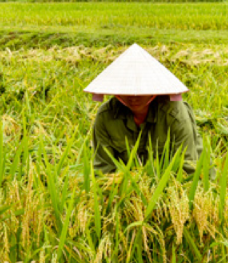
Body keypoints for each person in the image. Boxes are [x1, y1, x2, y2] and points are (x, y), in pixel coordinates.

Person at [85, 43, 205, 176]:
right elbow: (103, 169)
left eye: (140, 91)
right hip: (128, 184)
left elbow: (188, 167)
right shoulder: (106, 116)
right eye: (127, 90)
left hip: (179, 181)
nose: (133, 97)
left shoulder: (174, 114)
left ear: (153, 89)